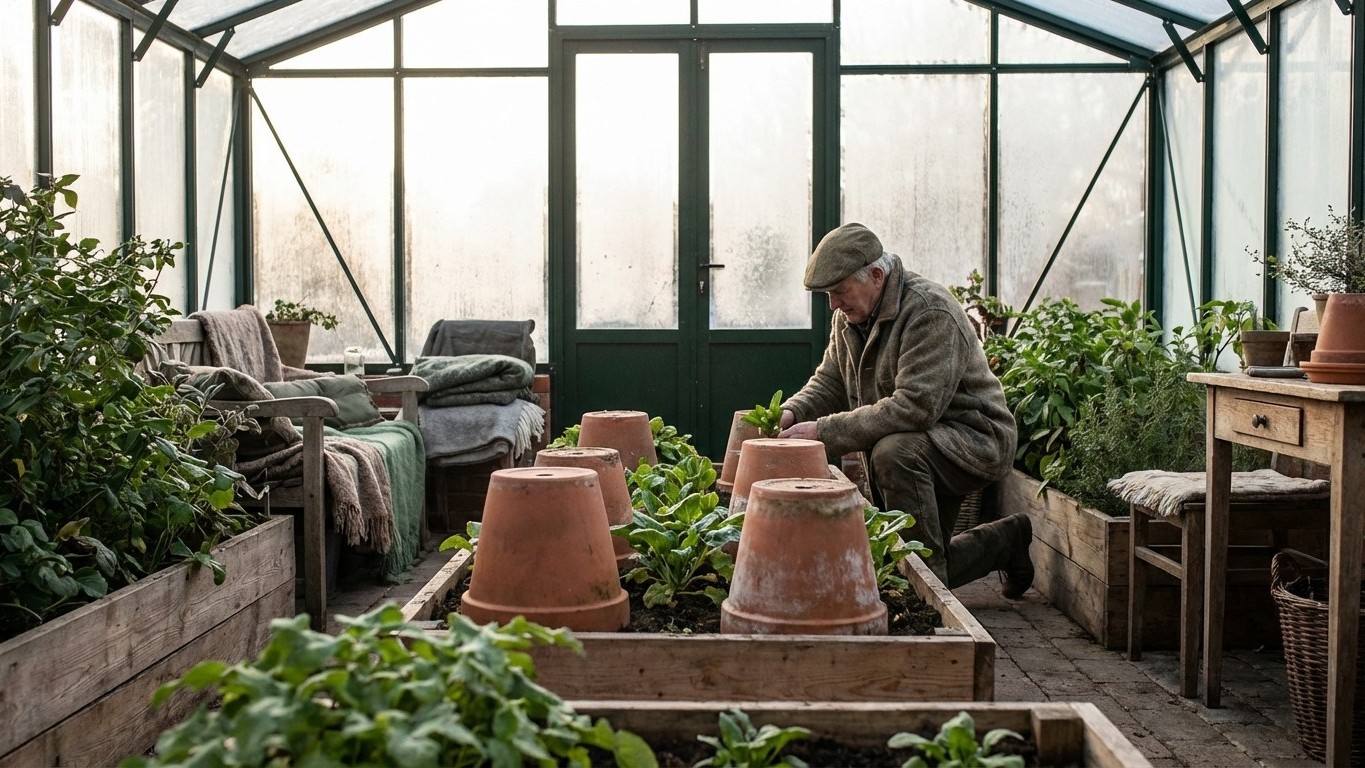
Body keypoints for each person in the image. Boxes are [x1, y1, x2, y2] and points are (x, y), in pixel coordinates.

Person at [778, 222, 1034, 597]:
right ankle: (1005, 541)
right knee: (929, 557)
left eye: (838, 291)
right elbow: (831, 381)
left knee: (894, 453)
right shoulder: (850, 318)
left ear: (876, 275)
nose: (833, 304)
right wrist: (792, 413)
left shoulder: (930, 312)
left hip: (972, 440)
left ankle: (920, 592)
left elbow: (914, 408)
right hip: (926, 442)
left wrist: (822, 432)